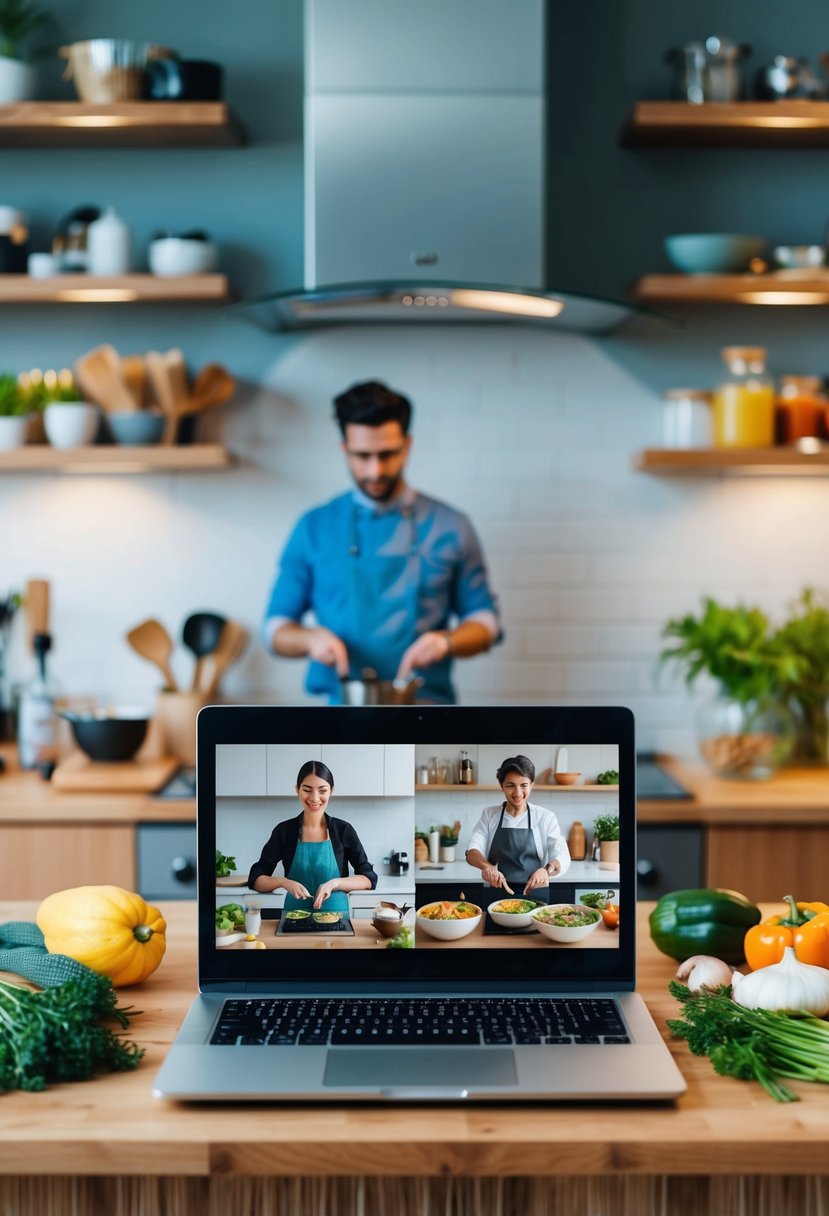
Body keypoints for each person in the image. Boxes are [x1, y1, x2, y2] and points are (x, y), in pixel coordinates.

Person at [263, 380, 500, 703]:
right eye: (362, 456)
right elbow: (276, 629)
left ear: (407, 444)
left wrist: (447, 642)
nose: (375, 471)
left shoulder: (451, 525)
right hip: (337, 719)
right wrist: (309, 639)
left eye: (387, 454)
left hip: (427, 714)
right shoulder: (313, 527)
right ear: (344, 449)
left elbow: (485, 622)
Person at [248, 760, 377, 913]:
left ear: (331, 791)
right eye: (307, 790)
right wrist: (285, 883)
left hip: (336, 921)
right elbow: (256, 878)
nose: (315, 798)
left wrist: (335, 883)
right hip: (294, 920)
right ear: (297, 790)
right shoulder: (284, 831)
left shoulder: (344, 830)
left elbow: (368, 878)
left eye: (322, 790)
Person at [465, 755, 570, 898]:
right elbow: (472, 852)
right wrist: (487, 867)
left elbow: (560, 854)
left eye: (524, 785)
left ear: (531, 785)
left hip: (536, 893)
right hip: (496, 893)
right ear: (502, 786)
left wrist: (546, 870)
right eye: (510, 785)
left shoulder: (545, 817)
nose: (518, 793)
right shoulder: (490, 815)